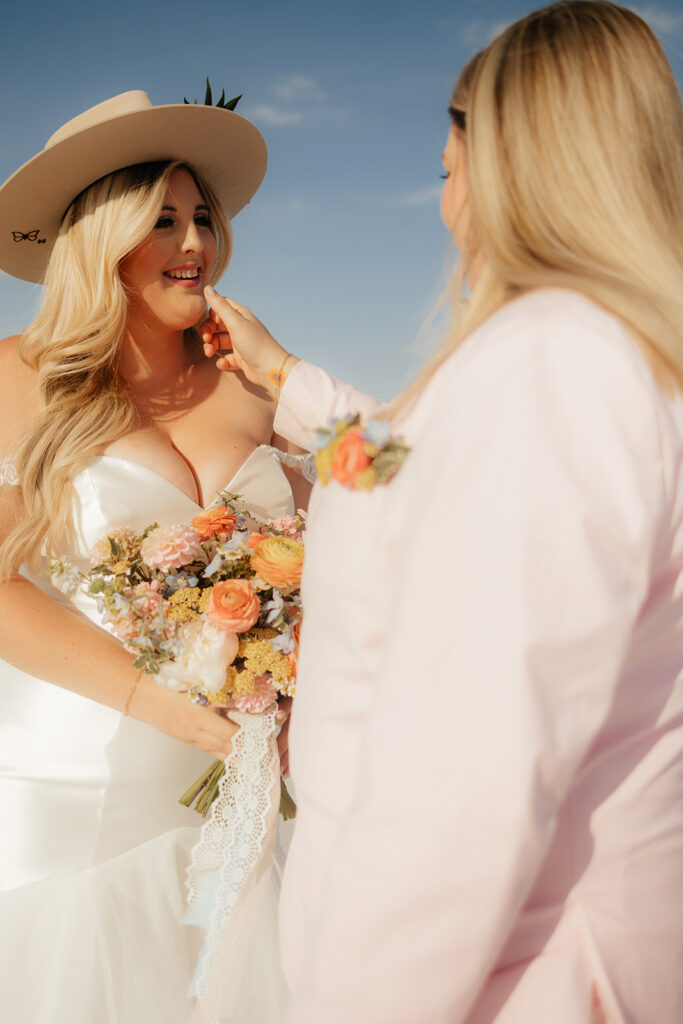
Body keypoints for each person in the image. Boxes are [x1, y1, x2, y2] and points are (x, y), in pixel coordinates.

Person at [200, 2, 683, 1021]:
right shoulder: (597, 358)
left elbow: (460, 787)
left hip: (503, 976)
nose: (445, 201)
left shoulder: (546, 366)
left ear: (515, 165)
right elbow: (415, 476)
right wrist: (286, 378)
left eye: (447, 169)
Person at [0, 90, 308, 1023]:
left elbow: (389, 485)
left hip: (246, 786)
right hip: (82, 789)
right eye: (162, 220)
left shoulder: (255, 386)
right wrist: (151, 703)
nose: (195, 243)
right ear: (102, 238)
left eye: (203, 218)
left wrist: (290, 374)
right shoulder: (20, 376)